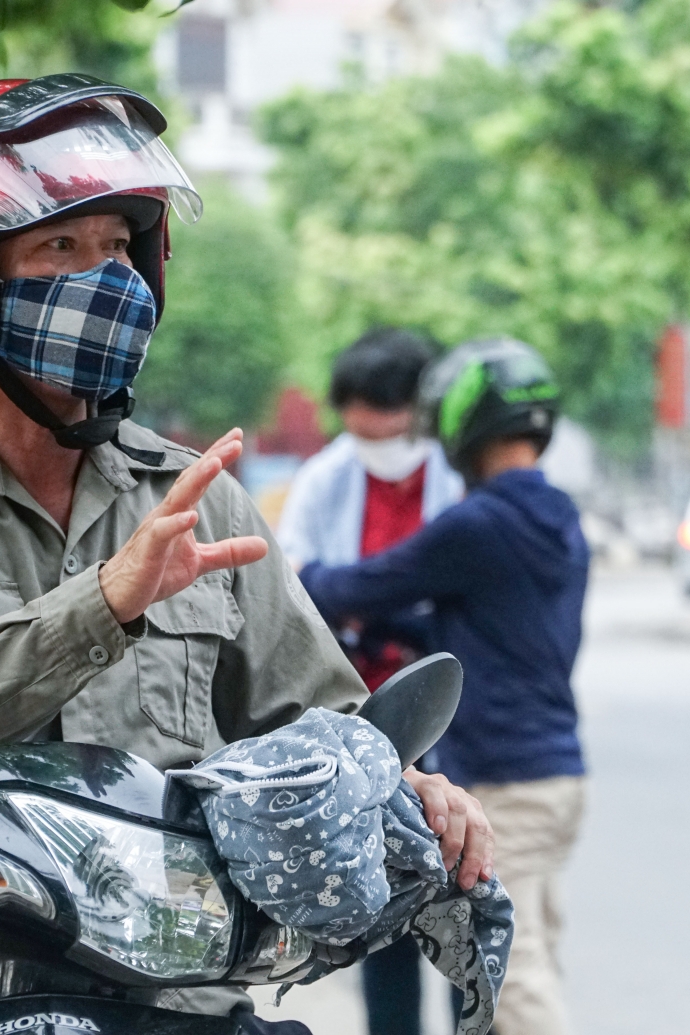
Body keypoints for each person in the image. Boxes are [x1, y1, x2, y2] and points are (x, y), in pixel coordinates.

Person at [0, 74, 492, 1034]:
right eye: (61, 245)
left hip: (178, 1003)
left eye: (120, 246)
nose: (108, 278)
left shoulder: (197, 501)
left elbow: (322, 727)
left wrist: (410, 787)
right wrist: (99, 605)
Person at [300, 339, 588, 1035]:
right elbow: (476, 628)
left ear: (463, 425)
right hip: (557, 772)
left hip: (504, 775)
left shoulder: (477, 521)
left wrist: (294, 577)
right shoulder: (557, 518)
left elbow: (356, 585)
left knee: (511, 973)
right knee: (522, 949)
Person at [276, 329, 464, 1034]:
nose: (375, 446)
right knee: (384, 911)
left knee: (462, 902)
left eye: (386, 429)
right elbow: (295, 590)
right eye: (359, 432)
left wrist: (355, 598)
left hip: (453, 718)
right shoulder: (327, 477)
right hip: (369, 725)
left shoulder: (456, 477)